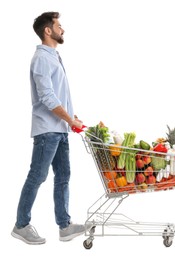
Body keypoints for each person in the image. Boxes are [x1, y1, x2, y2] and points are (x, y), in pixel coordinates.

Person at [11, 11, 86, 245]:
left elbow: (58, 94)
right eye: (59, 26)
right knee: (37, 175)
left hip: (60, 128)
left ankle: (64, 226)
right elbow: (46, 96)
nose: (62, 30)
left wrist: (71, 117)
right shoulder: (42, 58)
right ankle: (21, 225)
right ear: (48, 30)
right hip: (48, 130)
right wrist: (68, 119)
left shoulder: (53, 56)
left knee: (63, 176)